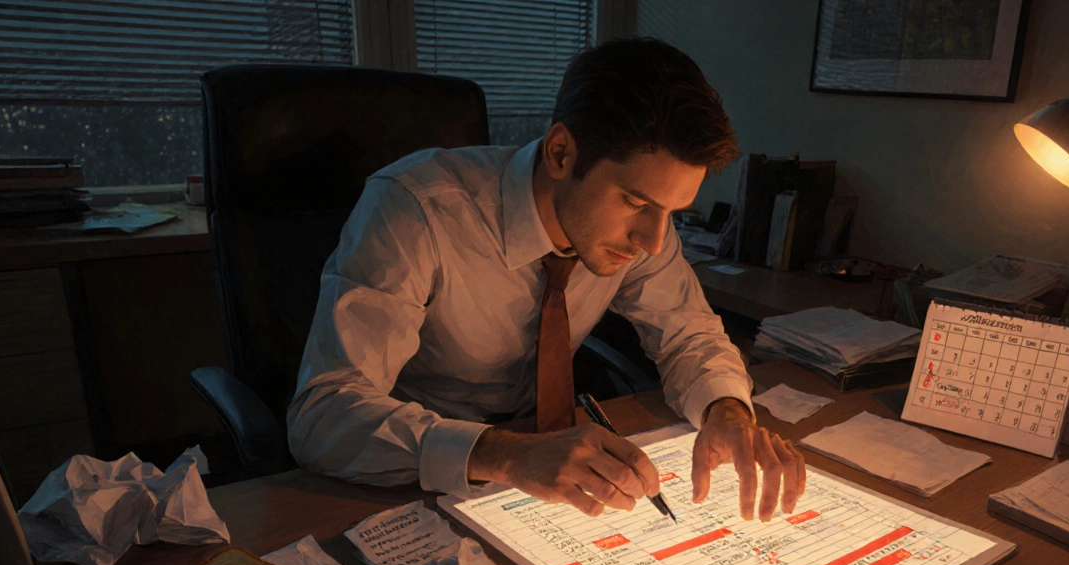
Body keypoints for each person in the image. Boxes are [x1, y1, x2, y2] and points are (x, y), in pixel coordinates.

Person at [288, 37, 805, 522]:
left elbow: (688, 333)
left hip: (543, 475)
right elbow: (324, 415)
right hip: (408, 474)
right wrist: (508, 455)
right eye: (635, 202)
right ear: (561, 153)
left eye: (672, 211)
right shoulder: (416, 210)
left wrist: (727, 411)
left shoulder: (644, 231)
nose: (652, 241)